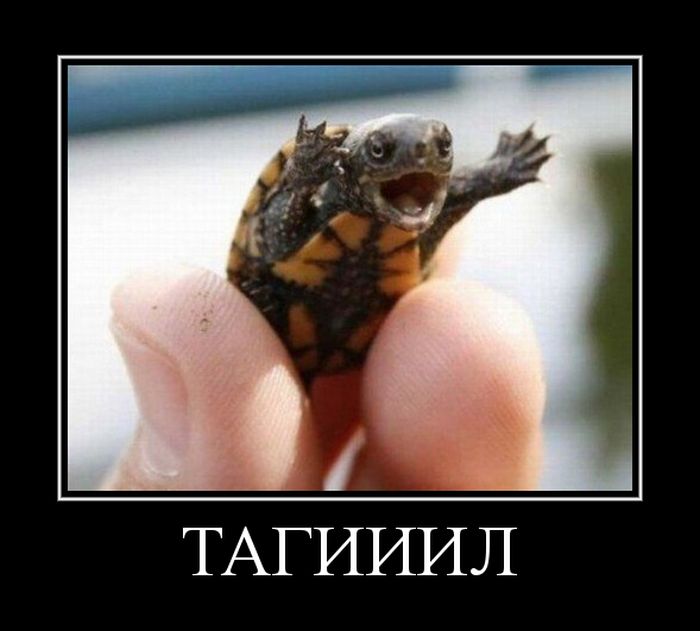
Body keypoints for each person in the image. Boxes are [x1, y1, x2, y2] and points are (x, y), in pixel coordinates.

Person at [102, 256, 545, 491]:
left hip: (352, 332)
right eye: (382, 152)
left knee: (457, 346)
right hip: (276, 307)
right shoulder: (330, 175)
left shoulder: (407, 196)